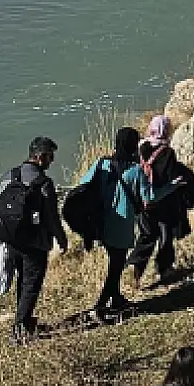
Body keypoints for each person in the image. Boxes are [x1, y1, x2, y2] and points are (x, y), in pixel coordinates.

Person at [0, 136, 69, 344]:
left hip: (10, 239)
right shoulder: (43, 183)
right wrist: (61, 239)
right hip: (35, 243)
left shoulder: (9, 176)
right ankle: (19, 330)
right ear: (40, 157)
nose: (51, 161)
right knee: (31, 284)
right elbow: (52, 218)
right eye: (50, 157)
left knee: (22, 282)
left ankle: (25, 322)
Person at [77, 126, 146, 324]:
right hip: (121, 227)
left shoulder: (102, 163)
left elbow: (83, 185)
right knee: (116, 268)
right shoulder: (135, 171)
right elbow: (149, 196)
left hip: (101, 225)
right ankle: (98, 308)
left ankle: (116, 299)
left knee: (115, 263)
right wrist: (171, 186)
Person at [126, 118, 194, 290]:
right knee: (165, 238)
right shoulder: (167, 153)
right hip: (164, 204)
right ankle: (164, 269)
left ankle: (135, 269)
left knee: (146, 236)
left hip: (145, 203)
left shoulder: (141, 148)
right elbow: (172, 177)